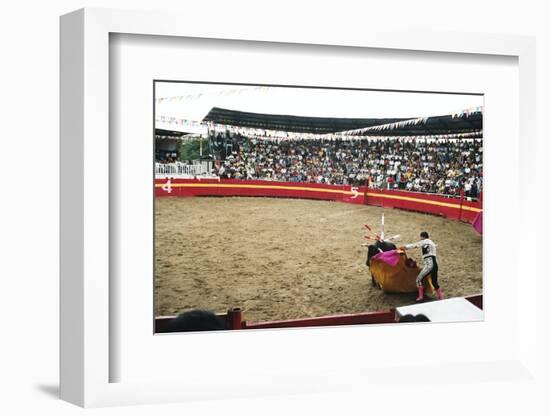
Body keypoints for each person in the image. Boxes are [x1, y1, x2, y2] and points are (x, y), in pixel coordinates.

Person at [400, 231, 443, 301]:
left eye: (420, 237)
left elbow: (415, 245)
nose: (420, 239)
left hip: (429, 265)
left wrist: (405, 247)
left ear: (422, 237)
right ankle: (440, 298)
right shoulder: (432, 243)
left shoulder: (425, 241)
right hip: (435, 264)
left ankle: (421, 297)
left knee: (418, 279)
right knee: (434, 282)